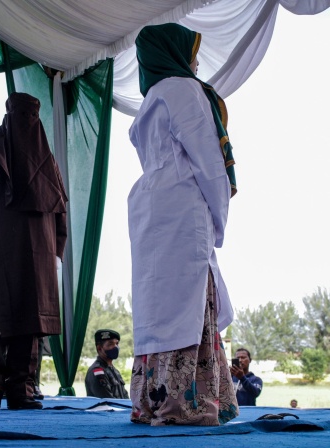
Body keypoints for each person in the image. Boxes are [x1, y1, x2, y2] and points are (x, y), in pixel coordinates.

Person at [127, 23, 238, 426]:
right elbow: (209, 162)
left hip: (149, 208)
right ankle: (185, 403)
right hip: (181, 204)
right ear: (173, 53)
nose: (194, 61)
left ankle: (150, 400)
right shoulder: (184, 89)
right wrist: (220, 219)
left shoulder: (151, 97)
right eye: (190, 52)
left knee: (158, 306)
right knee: (187, 303)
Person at [0, 92, 68, 410]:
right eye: (20, 117)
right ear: (9, 118)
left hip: (36, 255)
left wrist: (56, 251)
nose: (25, 125)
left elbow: (60, 207)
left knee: (29, 316)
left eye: (31, 119)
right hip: (3, 249)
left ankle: (21, 388)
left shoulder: (46, 160)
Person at [85, 329, 129, 399]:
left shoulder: (114, 370)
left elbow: (125, 397)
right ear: (99, 348)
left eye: (117, 344)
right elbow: (107, 401)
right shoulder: (97, 371)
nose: (115, 347)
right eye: (110, 344)